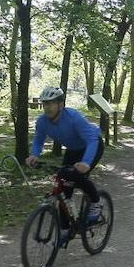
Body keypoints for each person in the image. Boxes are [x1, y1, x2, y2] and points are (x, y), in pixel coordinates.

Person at [24, 85, 104, 228]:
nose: (47, 107)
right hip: (73, 149)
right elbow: (38, 140)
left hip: (92, 145)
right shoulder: (42, 122)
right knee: (63, 186)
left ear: (60, 104)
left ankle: (96, 202)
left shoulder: (74, 118)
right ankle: (66, 228)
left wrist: (86, 163)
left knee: (77, 176)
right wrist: (34, 155)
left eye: (51, 103)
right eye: (45, 104)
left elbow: (92, 140)